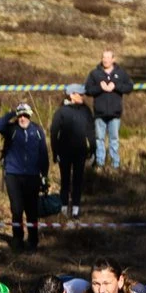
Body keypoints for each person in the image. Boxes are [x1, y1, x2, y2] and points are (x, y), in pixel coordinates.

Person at [0, 103, 48, 250]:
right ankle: (17, 239)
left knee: (32, 210)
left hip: (32, 176)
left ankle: (33, 240)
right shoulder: (11, 129)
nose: (23, 118)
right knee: (16, 210)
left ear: (30, 116)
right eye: (20, 116)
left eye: (26, 116)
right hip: (13, 175)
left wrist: (45, 175)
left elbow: (43, 153)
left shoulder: (37, 131)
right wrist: (12, 112)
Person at [49, 85, 95, 220]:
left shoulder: (86, 111)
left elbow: (91, 131)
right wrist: (55, 152)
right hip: (64, 152)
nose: (82, 96)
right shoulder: (61, 112)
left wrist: (92, 149)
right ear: (71, 95)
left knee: (78, 181)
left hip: (80, 152)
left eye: (82, 94)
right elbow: (54, 133)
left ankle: (76, 209)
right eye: (80, 94)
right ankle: (63, 208)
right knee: (65, 181)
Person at [84, 48, 128, 170]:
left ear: (113, 59)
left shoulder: (121, 73)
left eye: (108, 58)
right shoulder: (95, 74)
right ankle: (100, 163)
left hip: (115, 113)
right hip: (100, 113)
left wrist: (116, 86)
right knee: (99, 139)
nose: (105, 60)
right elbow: (88, 90)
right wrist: (100, 88)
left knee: (114, 139)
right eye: (104, 57)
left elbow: (129, 87)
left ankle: (115, 164)